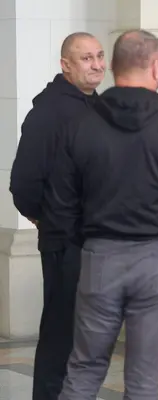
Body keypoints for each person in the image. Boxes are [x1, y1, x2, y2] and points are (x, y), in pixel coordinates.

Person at [49, 29, 158, 399]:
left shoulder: (81, 125)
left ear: (112, 67)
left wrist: (89, 243)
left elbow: (61, 202)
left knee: (84, 369)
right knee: (142, 380)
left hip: (101, 256)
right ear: (155, 67)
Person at [9, 32, 105, 400]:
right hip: (67, 241)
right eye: (86, 58)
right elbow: (24, 182)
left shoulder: (99, 108)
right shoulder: (48, 113)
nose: (96, 64)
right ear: (65, 65)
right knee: (62, 335)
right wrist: (46, 218)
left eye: (99, 56)